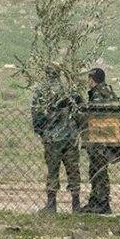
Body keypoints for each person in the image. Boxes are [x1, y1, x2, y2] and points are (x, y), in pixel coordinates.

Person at [31, 65, 83, 214]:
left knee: (53, 171)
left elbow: (36, 114)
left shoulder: (41, 90)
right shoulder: (69, 89)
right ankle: (76, 204)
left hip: (52, 138)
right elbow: (80, 110)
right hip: (70, 137)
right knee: (73, 170)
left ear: (47, 73)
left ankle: (51, 204)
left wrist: (41, 132)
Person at [83, 67, 116, 214]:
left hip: (99, 138)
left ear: (93, 79)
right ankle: (96, 201)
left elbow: (94, 116)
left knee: (98, 171)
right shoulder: (108, 91)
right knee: (97, 170)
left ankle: (101, 203)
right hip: (106, 137)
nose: (88, 82)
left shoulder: (98, 94)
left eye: (89, 79)